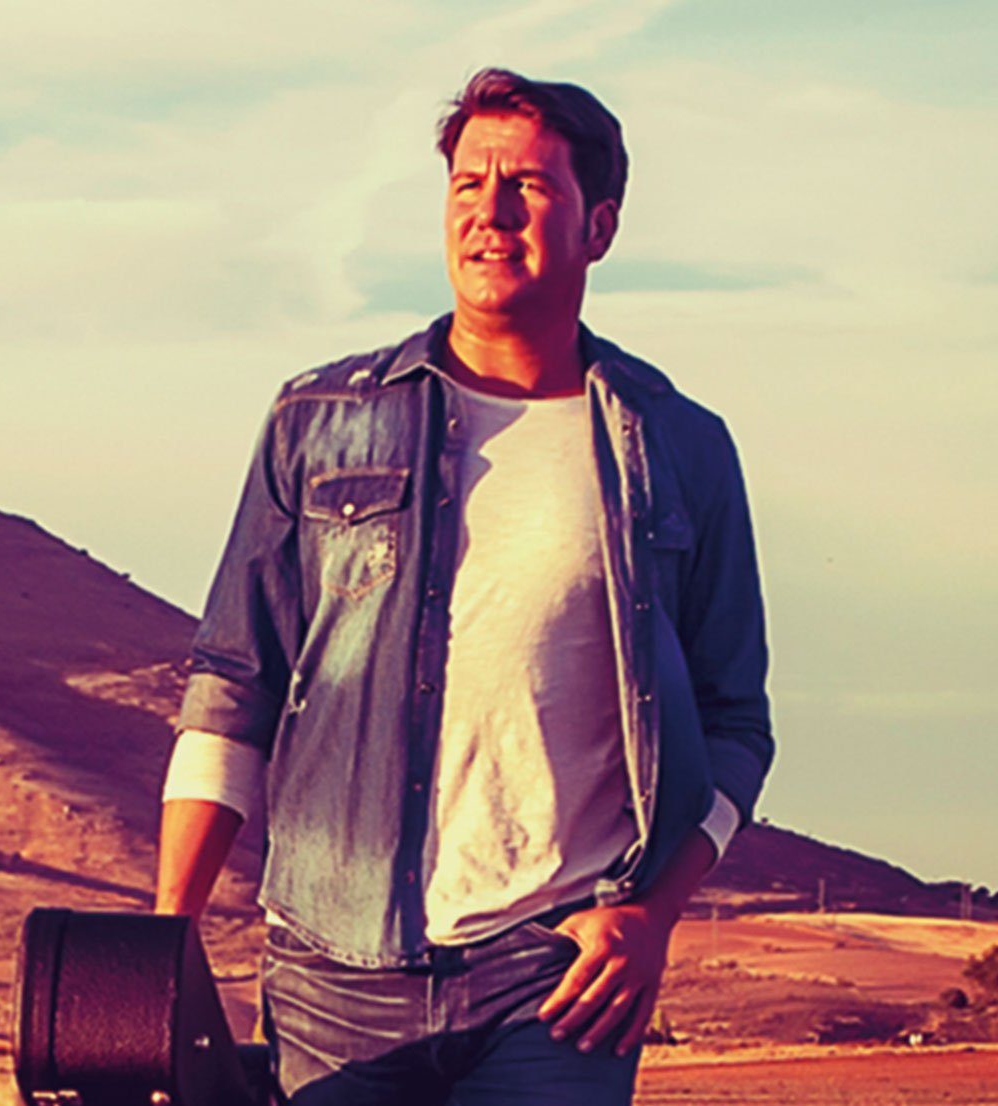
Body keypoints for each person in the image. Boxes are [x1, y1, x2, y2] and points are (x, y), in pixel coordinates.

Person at [156, 69, 771, 1105]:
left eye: (528, 186)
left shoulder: (679, 447)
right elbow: (232, 685)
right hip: (332, 975)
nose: (490, 212)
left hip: (559, 981)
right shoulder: (317, 420)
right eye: (468, 184)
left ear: (599, 226)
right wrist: (165, 936)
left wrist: (652, 913)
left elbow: (734, 724)